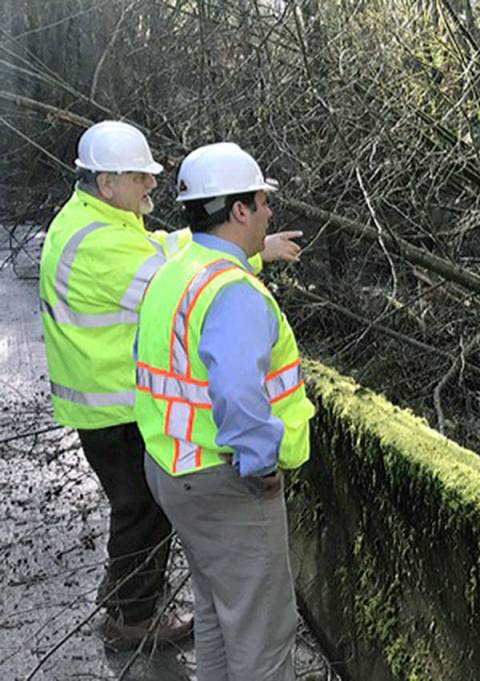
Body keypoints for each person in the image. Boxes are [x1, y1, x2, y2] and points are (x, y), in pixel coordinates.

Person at [38, 121, 301, 649]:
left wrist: (239, 243)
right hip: (112, 408)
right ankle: (130, 619)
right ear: (107, 182)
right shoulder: (96, 243)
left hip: (109, 403)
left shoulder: (98, 220)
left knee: (138, 509)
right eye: (140, 177)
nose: (151, 186)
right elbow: (169, 279)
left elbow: (166, 249)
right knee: (140, 513)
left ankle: (122, 596)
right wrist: (245, 253)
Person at [134, 142, 315, 680]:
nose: (268, 211)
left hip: (172, 466)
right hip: (226, 481)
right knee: (263, 634)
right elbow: (238, 397)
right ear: (239, 210)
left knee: (216, 613)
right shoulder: (234, 294)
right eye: (262, 202)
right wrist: (262, 465)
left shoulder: (177, 268)